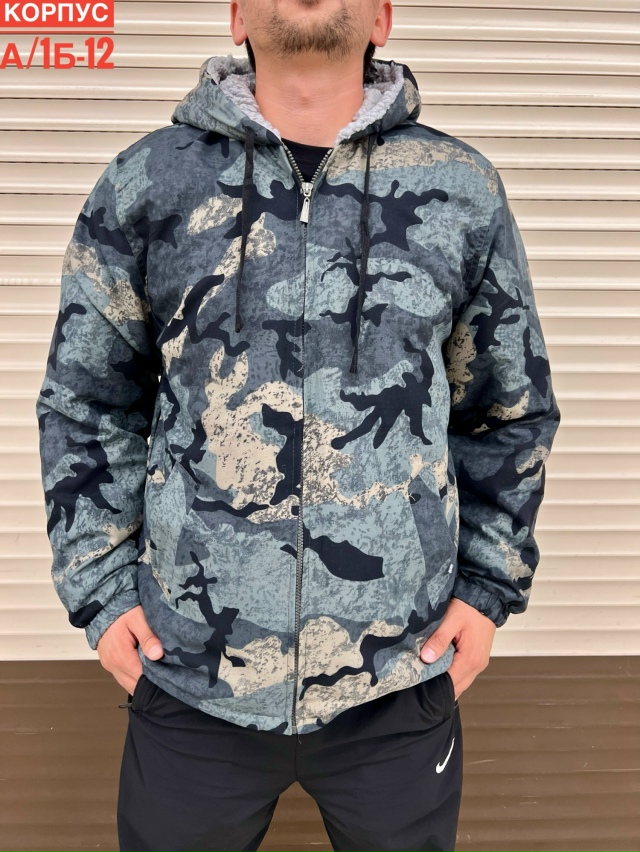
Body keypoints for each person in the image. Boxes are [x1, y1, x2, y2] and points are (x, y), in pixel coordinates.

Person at [35, 0, 561, 849]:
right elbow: (85, 401)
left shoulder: (461, 190)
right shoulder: (148, 184)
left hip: (397, 675)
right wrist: (100, 589)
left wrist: (487, 590)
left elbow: (509, 408)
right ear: (236, 15)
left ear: (382, 18)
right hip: (192, 672)